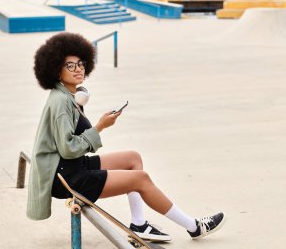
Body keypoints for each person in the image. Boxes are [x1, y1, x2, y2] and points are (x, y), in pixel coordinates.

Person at [26, 32, 226, 241]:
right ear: (56, 70)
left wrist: (97, 126)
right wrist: (100, 127)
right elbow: (67, 148)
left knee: (133, 158)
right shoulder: (61, 103)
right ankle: (193, 226)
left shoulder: (69, 96)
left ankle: (138, 225)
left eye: (81, 64)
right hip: (66, 179)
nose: (78, 69)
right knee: (141, 179)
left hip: (73, 167)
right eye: (70, 65)